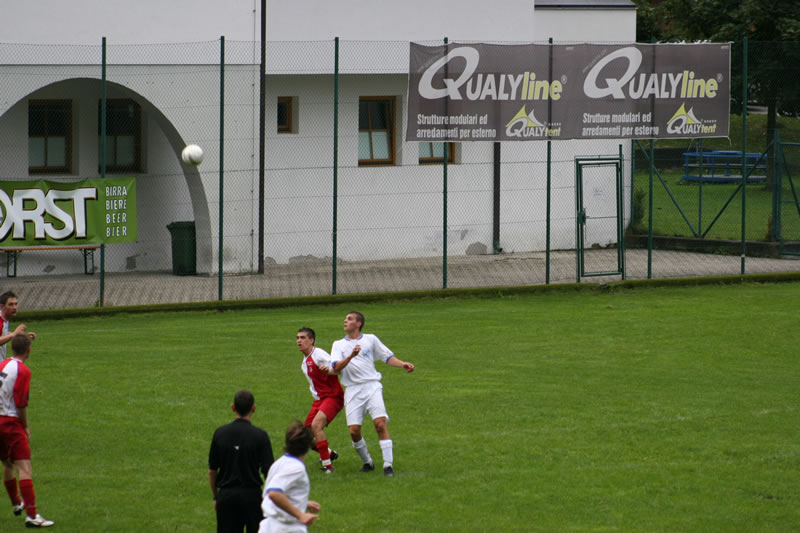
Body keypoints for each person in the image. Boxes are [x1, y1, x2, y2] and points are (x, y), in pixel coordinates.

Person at [326, 311, 415, 477]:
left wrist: (403, 364)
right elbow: (336, 367)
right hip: (352, 390)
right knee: (354, 431)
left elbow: (387, 357)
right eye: (345, 318)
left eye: (350, 319)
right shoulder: (338, 344)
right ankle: (368, 462)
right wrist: (351, 356)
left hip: (372, 386)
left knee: (380, 424)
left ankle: (388, 466)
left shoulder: (370, 339)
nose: (345, 321)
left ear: (359, 324)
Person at [0, 334, 53, 527]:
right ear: (28, 350)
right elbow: (21, 403)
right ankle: (32, 515)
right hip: (10, 422)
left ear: (12, 348)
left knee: (7, 463)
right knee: (24, 468)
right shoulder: (23, 371)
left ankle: (16, 503)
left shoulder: (3, 363)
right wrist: (25, 427)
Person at [209, 390, 274, 533]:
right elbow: (269, 471)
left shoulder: (220, 433)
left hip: (226, 497)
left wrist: (216, 496)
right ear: (254, 408)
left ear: (233, 407)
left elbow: (212, 471)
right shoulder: (260, 436)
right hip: (252, 497)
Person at [259, 420, 320, 533]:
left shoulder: (279, 463)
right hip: (286, 528)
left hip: (269, 526)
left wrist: (302, 502)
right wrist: (300, 515)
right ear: (308, 446)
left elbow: (273, 492)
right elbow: (274, 493)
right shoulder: (296, 468)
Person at [296, 327, 343, 473]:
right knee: (306, 437)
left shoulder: (319, 354)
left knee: (316, 426)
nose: (299, 341)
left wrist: (328, 370)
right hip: (319, 400)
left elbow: (338, 368)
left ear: (312, 340)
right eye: (298, 338)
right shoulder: (304, 363)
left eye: (303, 338)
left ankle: (327, 466)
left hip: (333, 396)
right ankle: (330, 454)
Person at [0, 291, 35, 358]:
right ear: (2, 306)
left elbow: (3, 334)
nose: (14, 307)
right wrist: (14, 334)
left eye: (16, 304)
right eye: (11, 304)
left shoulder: (5, 319)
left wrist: (23, 336)